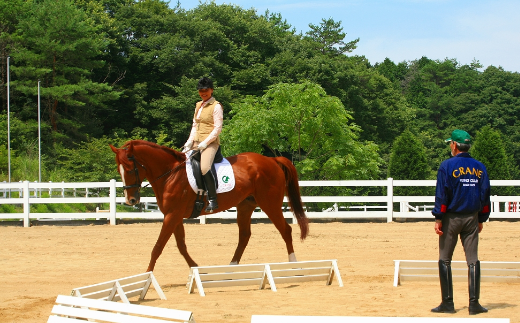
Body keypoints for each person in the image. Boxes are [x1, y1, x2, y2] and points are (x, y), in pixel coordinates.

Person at [431, 129, 491, 315]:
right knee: (472, 260)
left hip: (451, 218)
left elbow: (442, 195)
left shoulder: (447, 166)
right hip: (472, 218)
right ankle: (474, 304)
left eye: (451, 143)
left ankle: (447, 303)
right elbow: (485, 195)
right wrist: (481, 218)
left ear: (455, 145)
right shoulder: (479, 167)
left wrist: (438, 218)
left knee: (445, 259)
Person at [182, 77, 223, 212]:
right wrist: (189, 142)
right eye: (201, 91)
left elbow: (217, 128)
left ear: (211, 90)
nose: (203, 93)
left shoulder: (216, 106)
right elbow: (195, 125)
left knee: (205, 167)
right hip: (196, 142)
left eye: (206, 90)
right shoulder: (198, 105)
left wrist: (205, 143)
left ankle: (213, 200)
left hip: (210, 143)